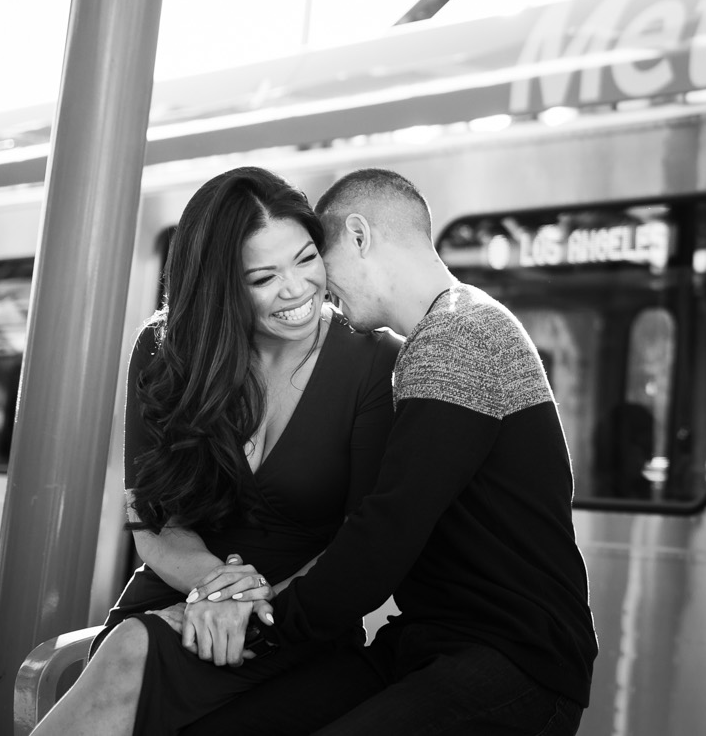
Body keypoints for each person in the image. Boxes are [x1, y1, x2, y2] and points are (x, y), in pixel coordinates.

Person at [185, 168, 596, 736]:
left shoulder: (459, 335)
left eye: (319, 257)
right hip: (429, 643)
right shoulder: (438, 337)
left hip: (515, 661)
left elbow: (385, 531)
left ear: (358, 236)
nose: (318, 287)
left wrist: (260, 623)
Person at [33, 167, 401, 736]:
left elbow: (363, 539)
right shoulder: (163, 351)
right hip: (177, 597)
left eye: (306, 259)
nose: (297, 289)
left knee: (136, 651)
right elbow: (152, 522)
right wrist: (213, 590)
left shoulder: (374, 362)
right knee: (133, 643)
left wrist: (250, 606)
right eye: (263, 277)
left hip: (297, 620)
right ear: (221, 285)